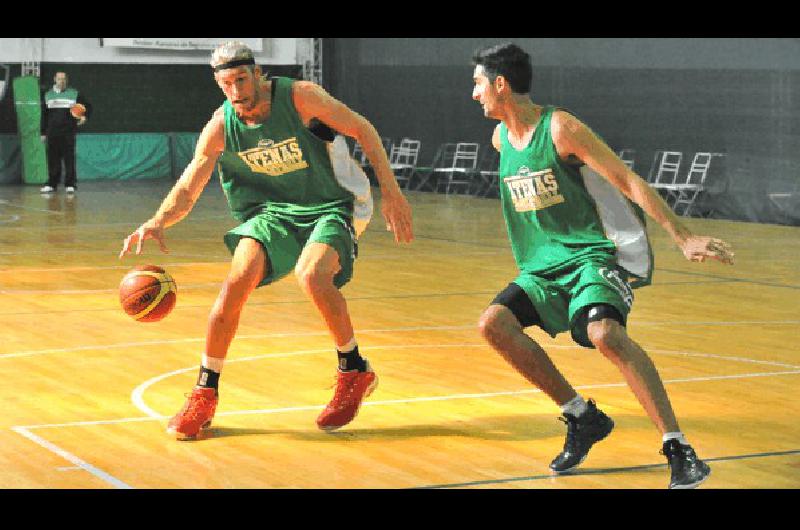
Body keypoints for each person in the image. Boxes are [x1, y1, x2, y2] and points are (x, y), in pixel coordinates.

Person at [471, 43, 734, 489]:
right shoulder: (501, 140)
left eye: (477, 84)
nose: (473, 94)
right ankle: (581, 417)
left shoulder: (560, 128)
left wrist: (683, 236)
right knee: (493, 325)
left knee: (605, 334)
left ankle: (678, 448)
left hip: (589, 257)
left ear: (501, 84)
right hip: (540, 269)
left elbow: (627, 180)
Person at [119, 41, 413, 440]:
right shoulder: (223, 124)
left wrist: (391, 192)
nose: (236, 91)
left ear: (257, 74)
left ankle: (354, 369)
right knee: (235, 282)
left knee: (312, 276)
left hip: (331, 204)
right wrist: (158, 220)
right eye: (227, 84)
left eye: (241, 79)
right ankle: (205, 391)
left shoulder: (301, 97)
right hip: (273, 213)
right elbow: (191, 183)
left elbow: (363, 129)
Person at [40, 71, 91, 194]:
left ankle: (70, 184)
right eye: (59, 79)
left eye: (63, 79)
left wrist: (84, 116)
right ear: (55, 79)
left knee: (69, 159)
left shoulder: (74, 94)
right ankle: (52, 184)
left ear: (66, 80)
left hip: (68, 133)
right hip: (52, 133)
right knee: (52, 159)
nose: (61, 81)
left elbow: (88, 106)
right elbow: (44, 115)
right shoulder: (47, 95)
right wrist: (43, 132)